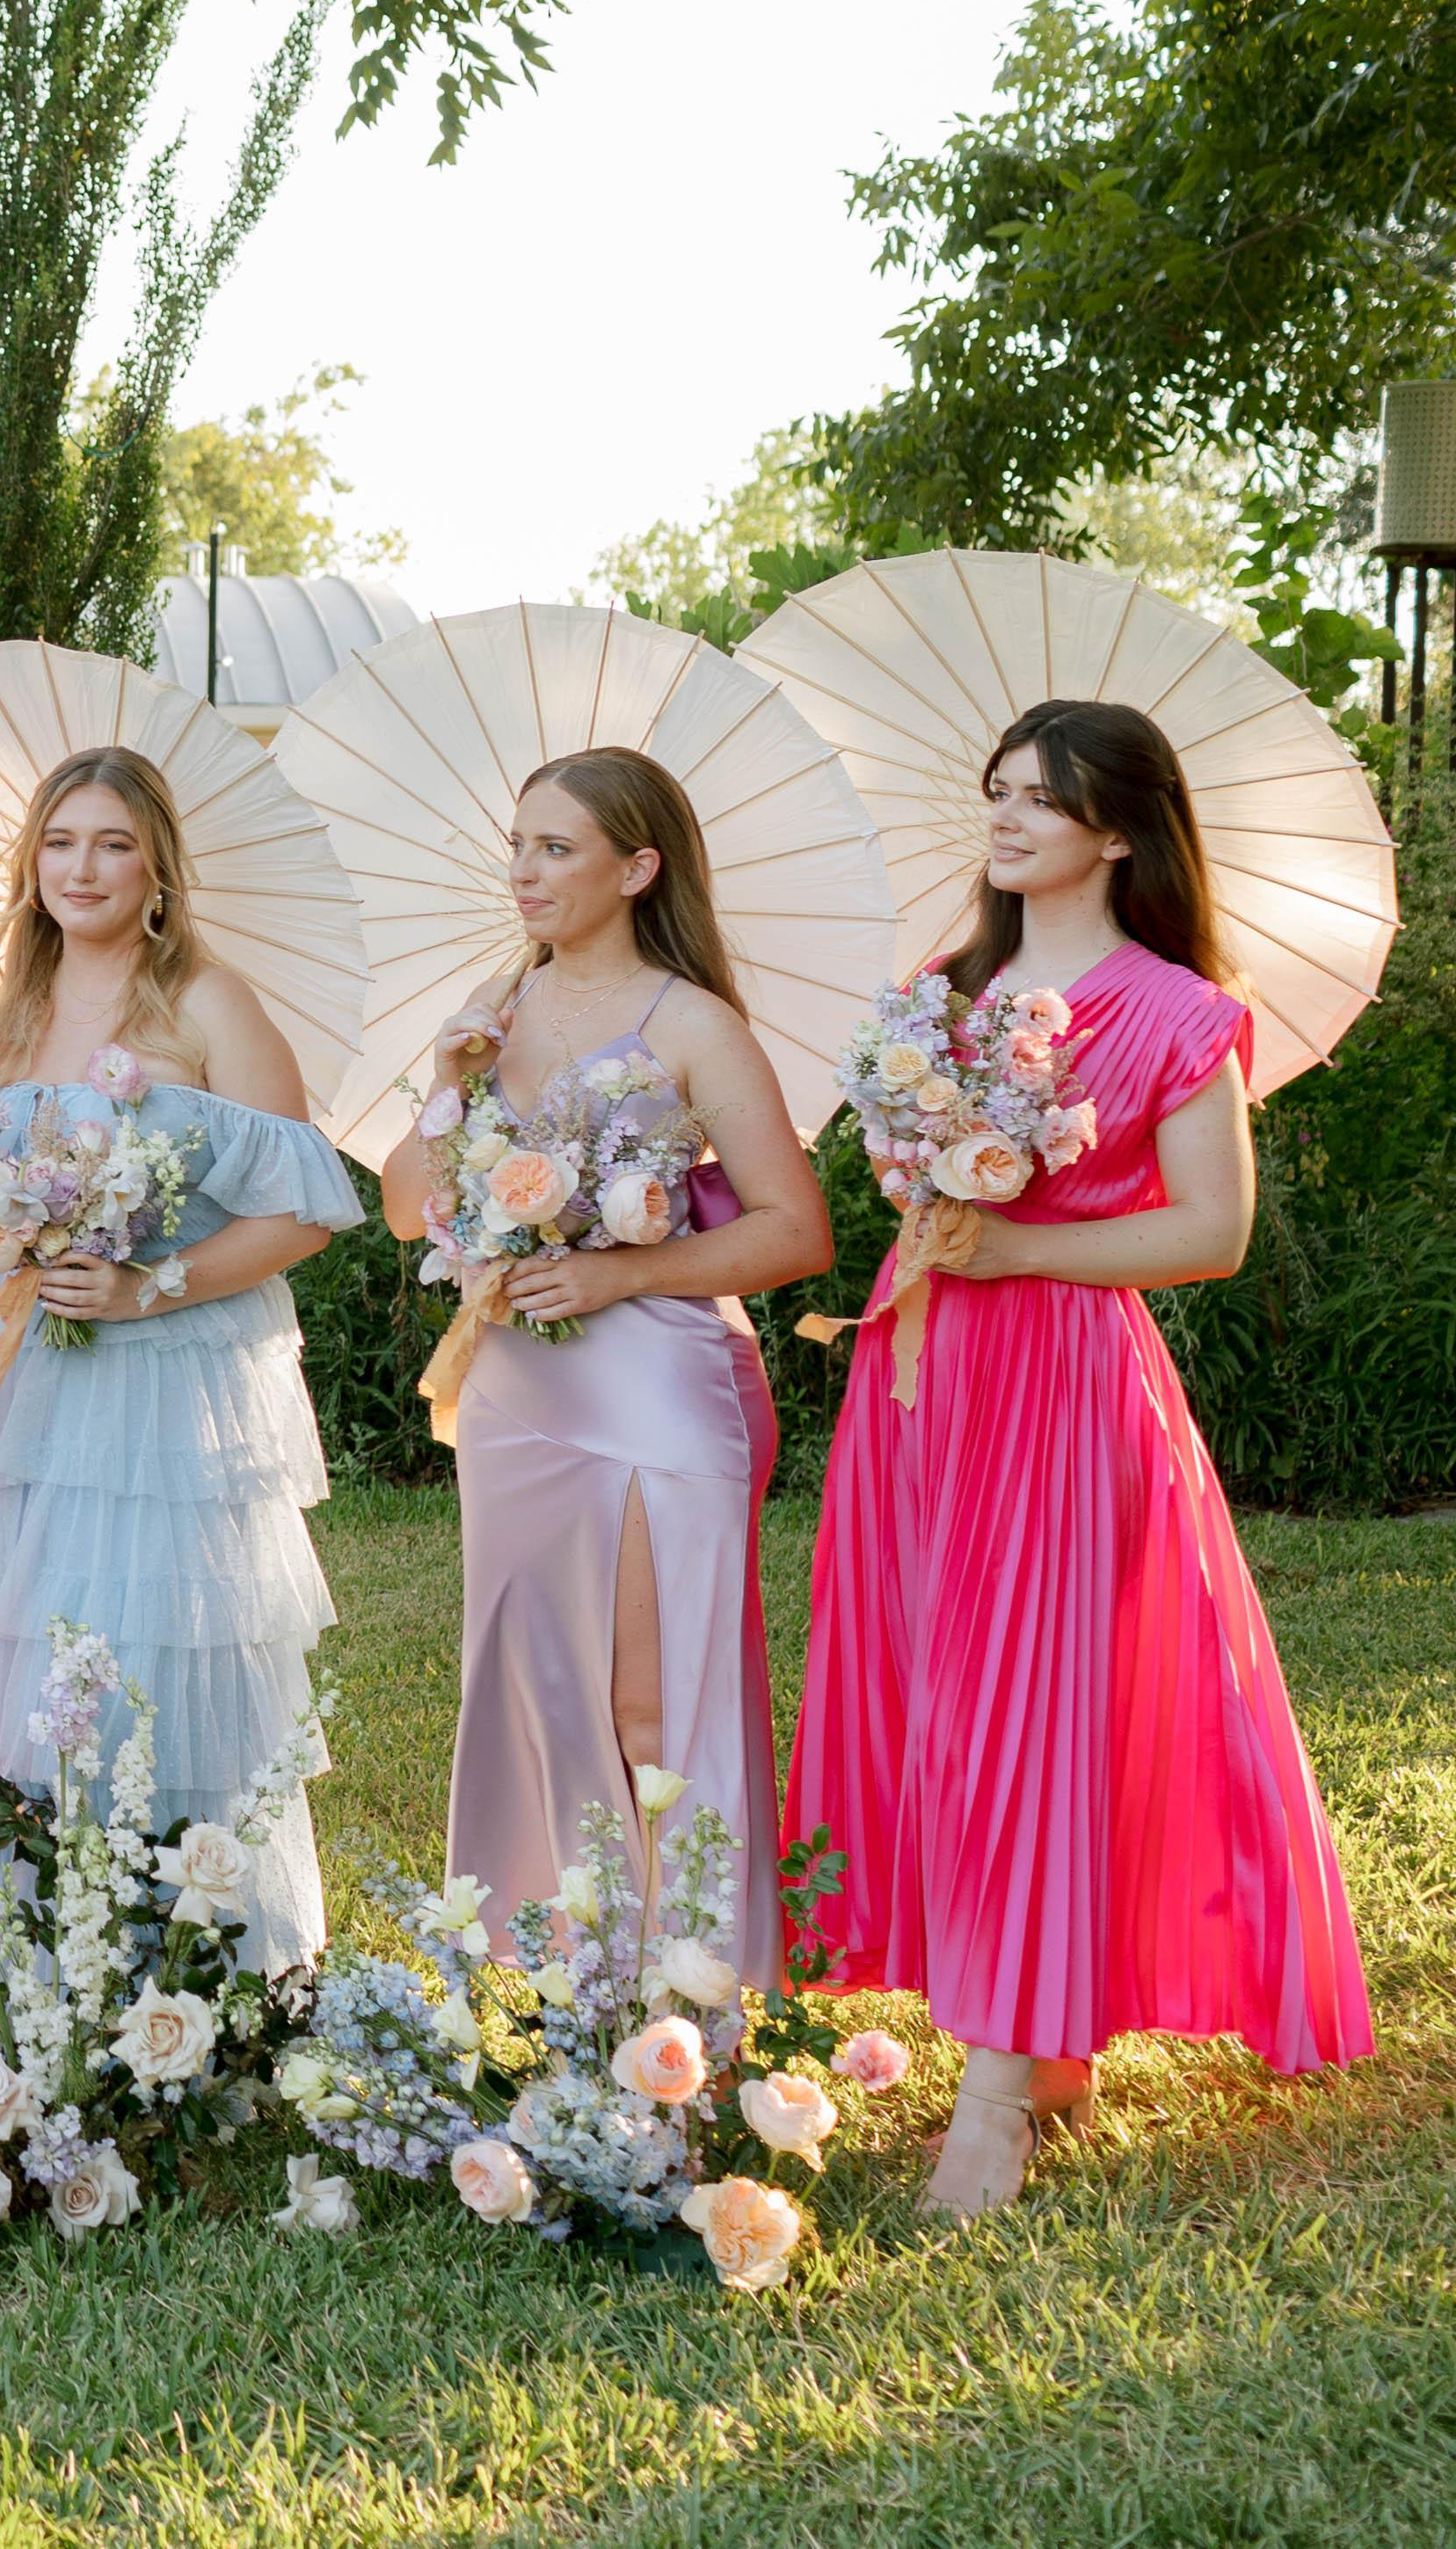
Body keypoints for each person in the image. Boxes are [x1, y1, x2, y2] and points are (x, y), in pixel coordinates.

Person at [792, 698, 1373, 2218]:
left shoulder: (1176, 1010)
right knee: (934, 1699)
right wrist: (933, 1184)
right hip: (918, 1374)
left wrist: (1019, 1243)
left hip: (1056, 1382)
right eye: (996, 789)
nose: (1004, 816)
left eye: (1038, 797)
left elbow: (1210, 1231)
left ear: (1116, 830)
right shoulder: (940, 991)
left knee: (1029, 1707)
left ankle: (996, 2087)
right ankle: (1039, 2043)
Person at [0, 745, 363, 1957]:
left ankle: (191, 1975)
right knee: (22, 1662)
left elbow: (304, 1208)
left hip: (166, 1390)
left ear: (156, 865)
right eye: (60, 842)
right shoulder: (11, 1011)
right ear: (31, 862)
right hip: (28, 1382)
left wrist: (145, 1285)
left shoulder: (206, 1002)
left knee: (148, 1659)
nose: (83, 867)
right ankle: (35, 1977)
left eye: (112, 843)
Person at [377, 746, 831, 1985]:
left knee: (649, 1701)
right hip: (515, 1395)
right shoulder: (496, 1005)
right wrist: (447, 1085)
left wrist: (620, 1272)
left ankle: (687, 1995)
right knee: (543, 1691)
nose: (524, 873)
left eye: (555, 848)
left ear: (637, 869)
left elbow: (796, 1231)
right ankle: (582, 1982)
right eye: (518, 847)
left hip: (656, 1394)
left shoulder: (691, 1024)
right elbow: (409, 1210)